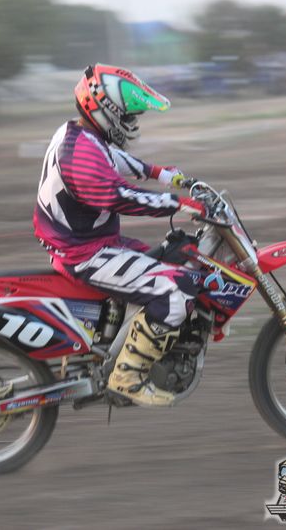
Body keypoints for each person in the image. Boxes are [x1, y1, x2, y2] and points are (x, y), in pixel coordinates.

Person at [33, 64, 206, 407]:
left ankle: (135, 344)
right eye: (128, 115)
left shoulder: (79, 135)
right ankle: (127, 377)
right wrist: (179, 204)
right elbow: (120, 197)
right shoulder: (80, 154)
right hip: (85, 254)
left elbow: (114, 158)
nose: (132, 122)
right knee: (176, 290)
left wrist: (163, 174)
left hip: (92, 243)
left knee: (180, 254)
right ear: (107, 110)